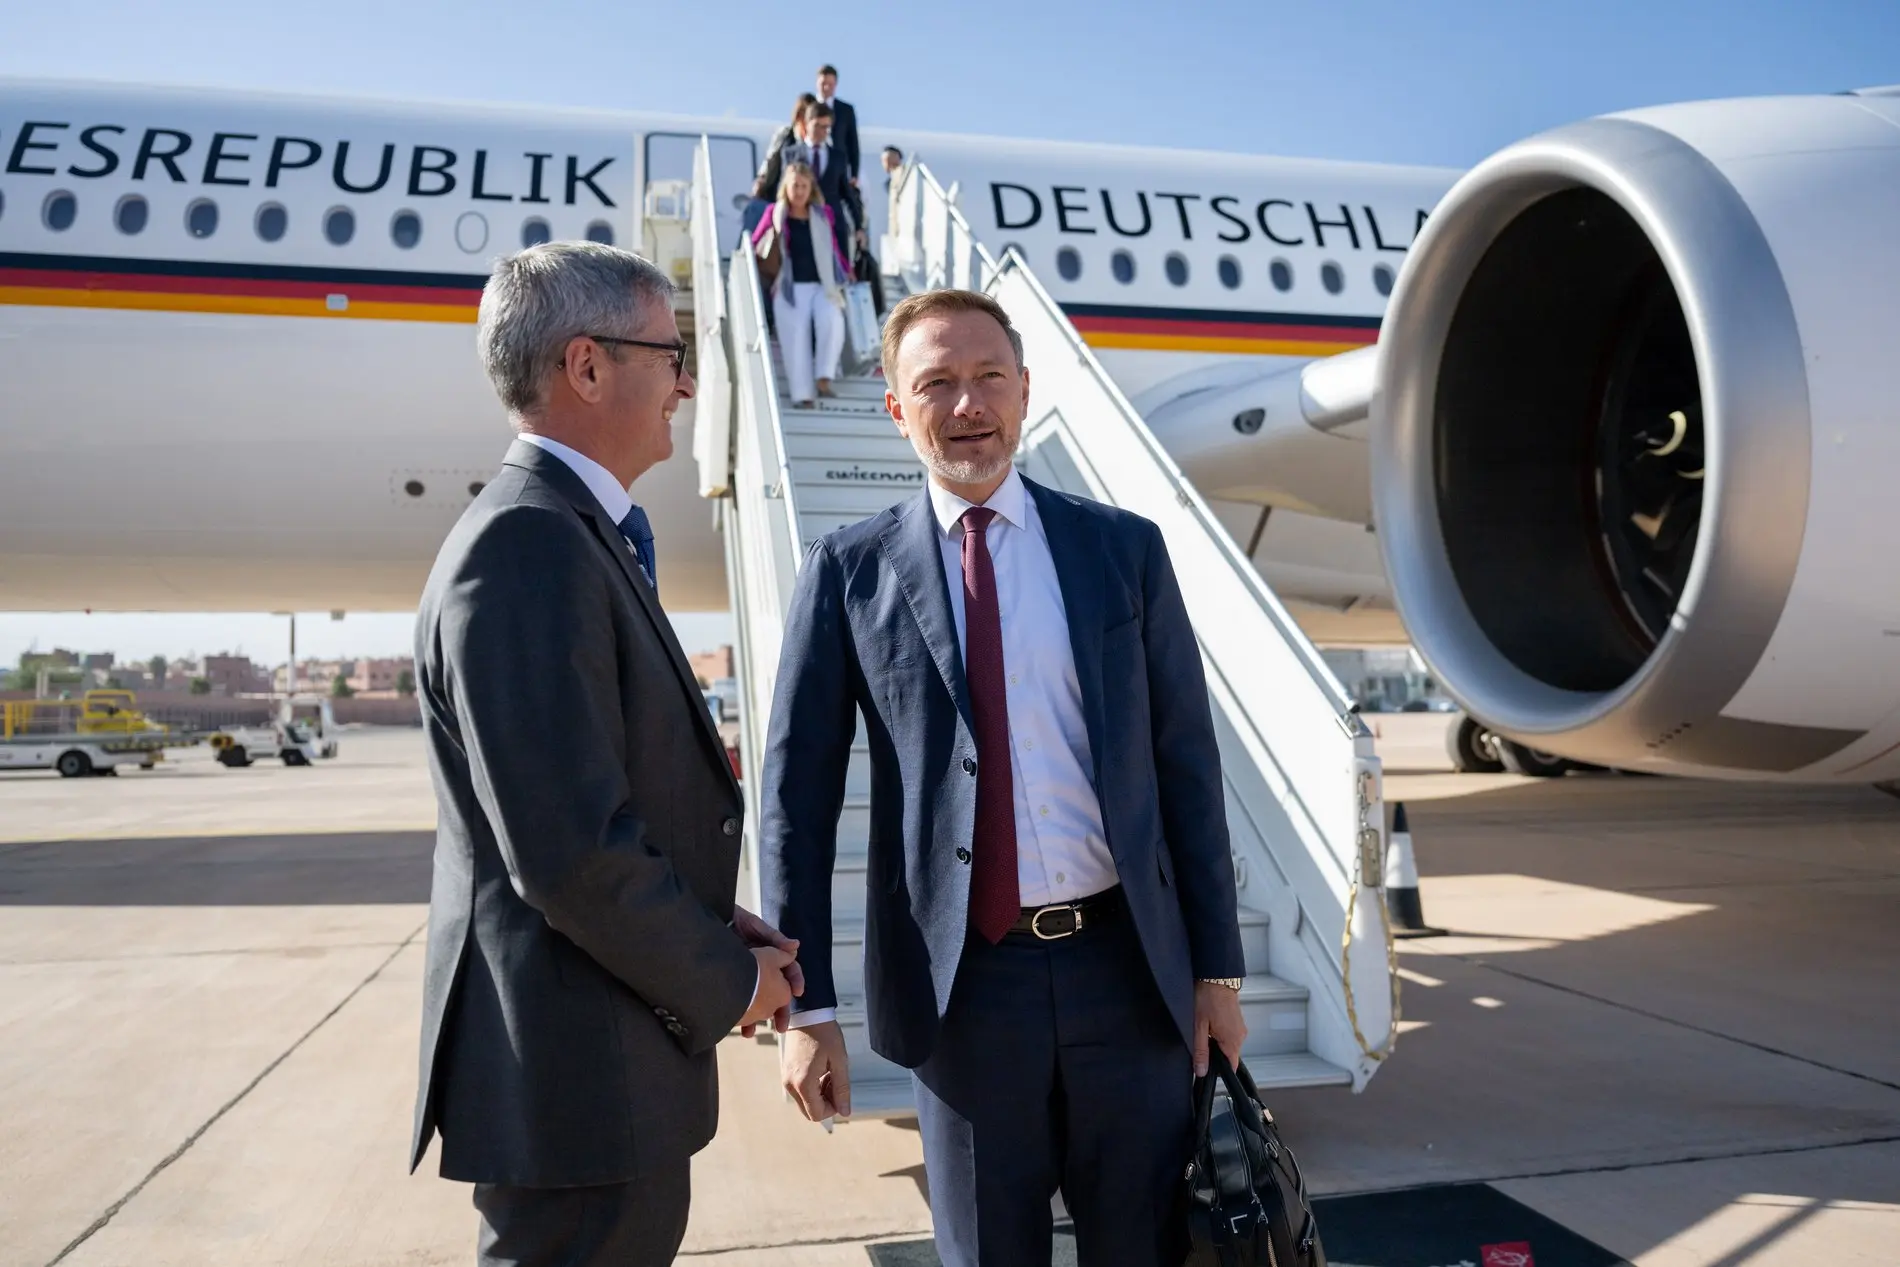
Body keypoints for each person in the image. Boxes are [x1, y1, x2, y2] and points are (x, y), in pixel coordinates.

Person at [759, 289, 1249, 1267]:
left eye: (988, 377)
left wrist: (1216, 972)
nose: (966, 402)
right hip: (963, 994)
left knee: (1145, 1249)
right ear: (896, 409)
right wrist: (803, 1007)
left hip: (1127, 976)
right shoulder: (848, 570)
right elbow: (795, 799)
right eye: (934, 382)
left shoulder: (1123, 551)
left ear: (1024, 392)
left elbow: (1185, 764)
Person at [410, 241, 805, 1267]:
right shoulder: (528, 545)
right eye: (669, 354)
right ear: (584, 366)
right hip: (577, 1081)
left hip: (596, 1071)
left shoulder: (569, 530)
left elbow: (590, 796)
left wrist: (713, 914)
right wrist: (725, 977)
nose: (685, 384)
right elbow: (570, 852)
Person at [750, 161, 850, 407]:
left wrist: (846, 272)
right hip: (789, 286)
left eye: (804, 186)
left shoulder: (822, 213)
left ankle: (824, 378)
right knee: (795, 338)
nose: (799, 191)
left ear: (811, 188)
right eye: (795, 185)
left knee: (832, 320)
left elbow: (833, 249)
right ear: (787, 186)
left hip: (821, 285)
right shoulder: (774, 212)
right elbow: (755, 244)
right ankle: (803, 395)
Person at [752, 92, 815, 200]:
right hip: (780, 188)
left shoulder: (816, 141)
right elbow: (771, 158)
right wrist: (761, 179)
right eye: (802, 112)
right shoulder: (785, 134)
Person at [815, 63, 860, 186]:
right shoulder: (809, 106)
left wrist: (854, 174)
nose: (826, 88)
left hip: (839, 169)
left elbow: (853, 143)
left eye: (830, 84)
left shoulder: (846, 110)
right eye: (823, 84)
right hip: (813, 166)